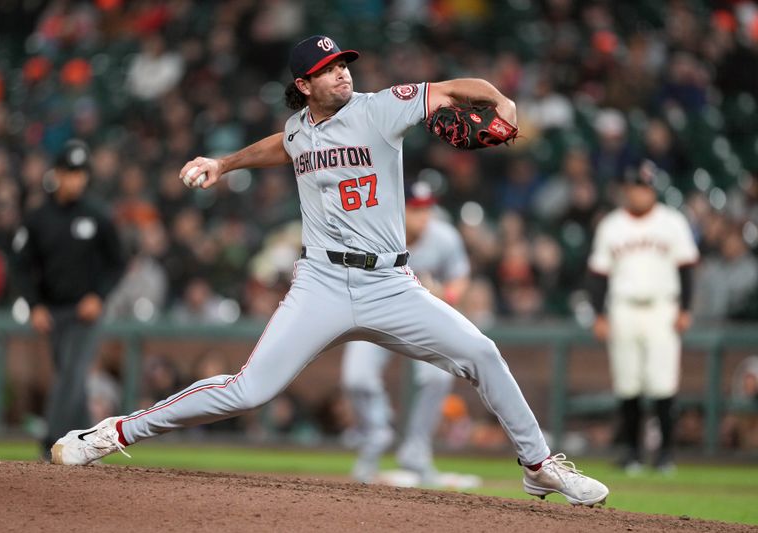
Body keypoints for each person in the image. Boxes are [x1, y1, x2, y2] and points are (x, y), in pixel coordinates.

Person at [51, 35, 609, 507]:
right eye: (328, 69)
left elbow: (460, 91)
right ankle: (110, 433)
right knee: (248, 391)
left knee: (481, 352)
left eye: (343, 64)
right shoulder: (299, 130)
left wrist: (502, 101)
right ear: (303, 85)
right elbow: (282, 145)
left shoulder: (379, 107)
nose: (342, 74)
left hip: (390, 283)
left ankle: (538, 465)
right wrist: (223, 163)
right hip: (320, 282)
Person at [341, 181, 470, 485]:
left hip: (420, 318)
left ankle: (416, 449)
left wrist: (446, 296)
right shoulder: (377, 231)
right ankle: (375, 435)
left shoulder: (444, 237)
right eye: (416, 209)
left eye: (427, 208)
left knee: (438, 376)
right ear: (400, 208)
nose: (423, 215)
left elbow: (460, 277)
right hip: (377, 313)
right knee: (356, 378)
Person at [11, 139, 126, 459]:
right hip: (53, 311)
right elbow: (20, 266)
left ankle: (50, 441)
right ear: (58, 174)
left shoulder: (99, 215)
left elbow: (118, 263)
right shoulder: (38, 218)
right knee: (69, 379)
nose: (76, 179)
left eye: (81, 173)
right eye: (70, 172)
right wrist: (34, 305)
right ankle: (89, 443)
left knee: (72, 374)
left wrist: (99, 296)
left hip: (85, 312)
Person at [587, 159, 699, 474]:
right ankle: (632, 453)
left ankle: (665, 454)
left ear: (653, 190)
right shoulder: (612, 225)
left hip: (663, 307)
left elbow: (687, 268)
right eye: (636, 186)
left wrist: (685, 309)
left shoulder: (672, 222)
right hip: (623, 307)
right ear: (626, 189)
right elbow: (597, 275)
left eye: (646, 187)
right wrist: (599, 314)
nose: (641, 192)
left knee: (663, 383)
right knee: (627, 384)